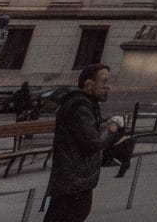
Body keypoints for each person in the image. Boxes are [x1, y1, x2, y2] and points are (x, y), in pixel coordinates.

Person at [45, 64, 117, 222]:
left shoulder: (85, 103)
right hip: (75, 178)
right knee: (70, 214)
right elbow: (93, 143)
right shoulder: (80, 105)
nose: (108, 86)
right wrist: (112, 131)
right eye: (103, 82)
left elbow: (87, 131)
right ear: (88, 85)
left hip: (76, 177)